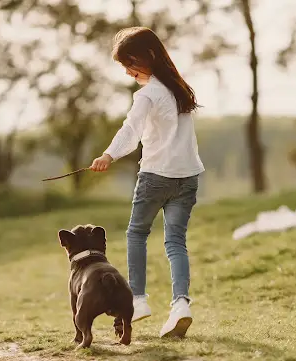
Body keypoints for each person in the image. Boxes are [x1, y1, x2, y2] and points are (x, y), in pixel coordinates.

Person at [90, 27, 205, 338]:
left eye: (131, 63)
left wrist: (107, 156)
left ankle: (138, 300)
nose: (128, 71)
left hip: (156, 175)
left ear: (149, 56)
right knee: (176, 242)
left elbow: (130, 130)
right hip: (188, 175)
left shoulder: (148, 94)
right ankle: (181, 305)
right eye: (124, 66)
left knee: (136, 234)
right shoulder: (180, 89)